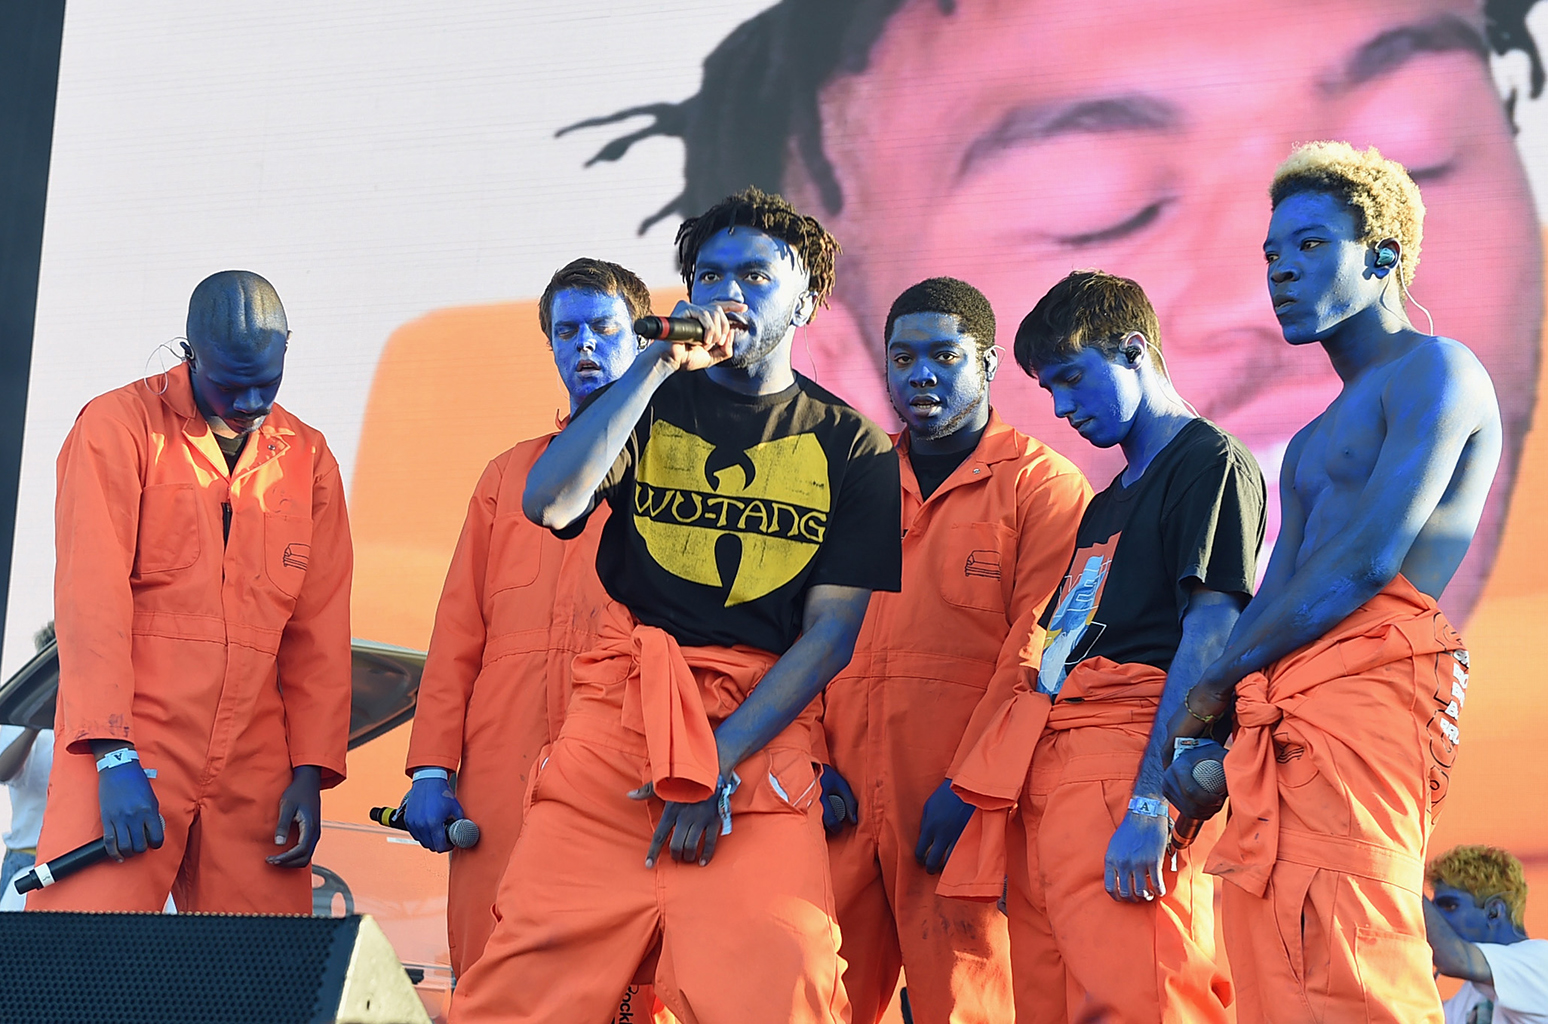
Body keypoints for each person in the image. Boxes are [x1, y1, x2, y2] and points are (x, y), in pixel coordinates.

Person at [568, 0, 1541, 627]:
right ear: (834, 346)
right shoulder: (1088, 508)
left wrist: (1205, 713)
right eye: (1101, 202)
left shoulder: (1203, 467)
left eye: (1419, 139)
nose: (1261, 290)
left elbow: (1326, 583)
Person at [449, 187, 902, 1023]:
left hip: (755, 744)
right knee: (522, 988)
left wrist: (713, 764)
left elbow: (831, 635)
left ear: (806, 300)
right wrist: (654, 364)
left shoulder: (855, 447)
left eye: (756, 275)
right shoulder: (647, 399)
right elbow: (550, 502)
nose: (729, 292)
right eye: (710, 275)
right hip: (616, 732)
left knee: (788, 979)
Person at [1162, 142, 1502, 1023]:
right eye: (1272, 254)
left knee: (1356, 952)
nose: (1281, 270)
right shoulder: (1310, 443)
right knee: (1272, 952)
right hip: (1280, 712)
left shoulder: (1439, 368)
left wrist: (1209, 689)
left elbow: (1367, 558)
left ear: (1383, 255)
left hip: (1372, 693)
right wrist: (1216, 719)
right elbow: (1279, 590)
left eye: (1310, 245)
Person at [943, 270, 1264, 1022]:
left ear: (1134, 349)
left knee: (1143, 999)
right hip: (1051, 769)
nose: (1062, 407)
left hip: (1129, 759)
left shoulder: (1210, 462)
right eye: (1048, 389)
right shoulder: (1106, 502)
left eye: (1072, 377)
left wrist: (1153, 800)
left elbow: (1211, 635)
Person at [29, 270, 353, 913]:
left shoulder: (308, 458)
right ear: (190, 354)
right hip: (130, 743)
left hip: (257, 761)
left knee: (258, 965)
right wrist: (111, 754)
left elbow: (319, 629)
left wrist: (308, 770)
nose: (252, 401)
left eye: (268, 382)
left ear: (288, 348)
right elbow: (91, 602)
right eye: (231, 384)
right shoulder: (117, 426)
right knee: (85, 953)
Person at [816, 277, 1090, 1023]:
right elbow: (796, 634)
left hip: (961, 807)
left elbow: (1038, 656)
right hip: (838, 802)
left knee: (968, 1006)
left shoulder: (1042, 487)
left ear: (990, 362)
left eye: (944, 355)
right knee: (809, 1001)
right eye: (903, 358)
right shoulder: (852, 483)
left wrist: (974, 788)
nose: (921, 374)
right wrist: (807, 755)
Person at [400, 258, 651, 977]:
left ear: (644, 341)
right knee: (488, 967)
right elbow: (457, 634)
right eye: (567, 332)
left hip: (622, 759)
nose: (585, 345)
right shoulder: (508, 476)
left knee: (624, 979)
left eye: (604, 328)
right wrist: (430, 770)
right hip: (500, 768)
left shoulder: (679, 472)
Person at [1426, 845, 1548, 1024]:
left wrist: (1403, 886)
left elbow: (1456, 960)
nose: (1437, 918)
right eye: (1433, 909)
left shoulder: (1541, 960)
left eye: (1450, 906)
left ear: (1494, 912)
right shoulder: (1471, 992)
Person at [0, 623, 56, 911]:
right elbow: (3, 771)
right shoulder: (18, 715)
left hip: (71, 857)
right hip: (26, 857)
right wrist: (36, 721)